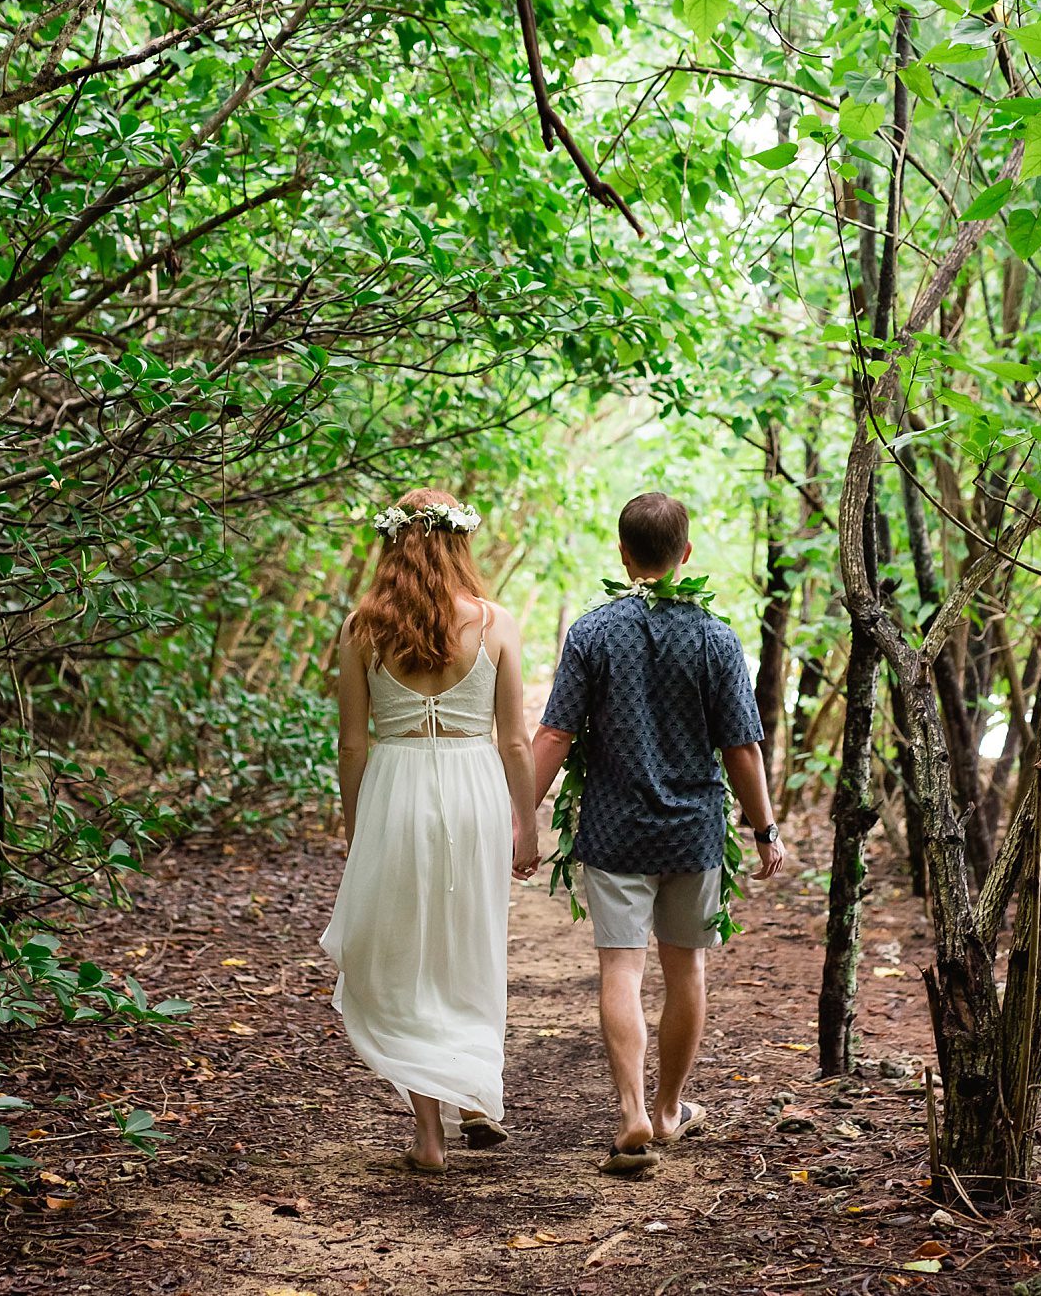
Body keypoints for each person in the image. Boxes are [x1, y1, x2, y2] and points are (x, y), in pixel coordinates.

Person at [531, 492, 786, 1176]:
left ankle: (630, 1111)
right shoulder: (716, 637)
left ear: (622, 553)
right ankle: (670, 1109)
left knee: (621, 966)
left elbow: (556, 732)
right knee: (686, 970)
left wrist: (513, 813)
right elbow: (742, 748)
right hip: (692, 832)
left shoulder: (591, 633)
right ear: (686, 554)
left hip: (614, 829)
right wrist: (764, 826)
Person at [320, 489, 542, 1175]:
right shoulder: (496, 622)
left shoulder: (362, 628)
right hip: (476, 792)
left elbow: (352, 746)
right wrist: (525, 822)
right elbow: (514, 742)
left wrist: (360, 826)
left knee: (409, 956)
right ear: (460, 543)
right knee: (470, 943)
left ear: (393, 545)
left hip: (396, 789)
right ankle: (473, 1091)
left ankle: (430, 1133)